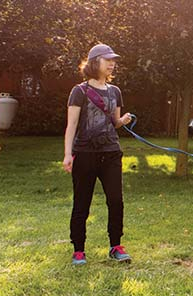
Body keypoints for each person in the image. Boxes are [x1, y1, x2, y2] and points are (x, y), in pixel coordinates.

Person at [63, 44, 134, 265]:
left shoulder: (115, 92)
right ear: (95, 62)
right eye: (108, 59)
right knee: (81, 203)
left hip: (111, 152)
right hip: (85, 153)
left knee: (116, 201)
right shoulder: (80, 91)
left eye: (114, 60)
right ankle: (79, 250)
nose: (112, 63)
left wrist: (123, 121)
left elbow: (114, 122)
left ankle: (116, 246)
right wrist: (67, 154)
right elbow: (71, 125)